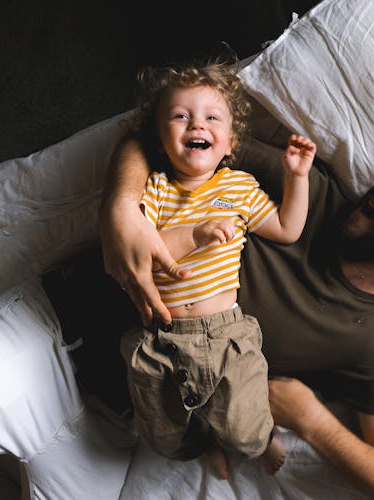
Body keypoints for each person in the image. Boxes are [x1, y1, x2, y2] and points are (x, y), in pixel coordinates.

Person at [100, 112, 374, 497]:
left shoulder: (366, 341)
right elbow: (151, 131)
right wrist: (120, 208)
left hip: (123, 405)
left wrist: (311, 419)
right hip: (76, 294)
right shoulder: (306, 189)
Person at [116, 60, 317, 477]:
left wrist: (297, 178)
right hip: (161, 335)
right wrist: (194, 235)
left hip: (226, 334)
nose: (197, 125)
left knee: (243, 421)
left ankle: (257, 442)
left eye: (211, 117)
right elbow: (143, 252)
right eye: (180, 116)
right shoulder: (154, 188)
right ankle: (197, 445)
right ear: (160, 138)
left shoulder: (238, 187)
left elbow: (287, 228)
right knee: (163, 431)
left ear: (229, 142)